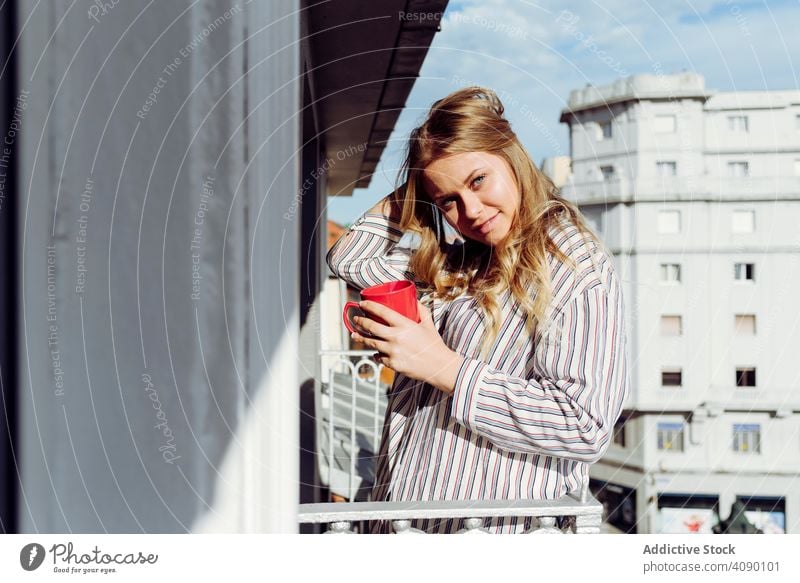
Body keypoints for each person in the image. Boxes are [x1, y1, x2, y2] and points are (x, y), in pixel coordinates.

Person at [326, 86, 630, 533]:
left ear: (512, 157)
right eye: (448, 200)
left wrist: (443, 367)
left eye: (478, 180)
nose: (470, 210)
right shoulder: (462, 261)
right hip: (406, 531)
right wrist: (420, 182)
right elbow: (350, 258)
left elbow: (583, 424)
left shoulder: (572, 264)